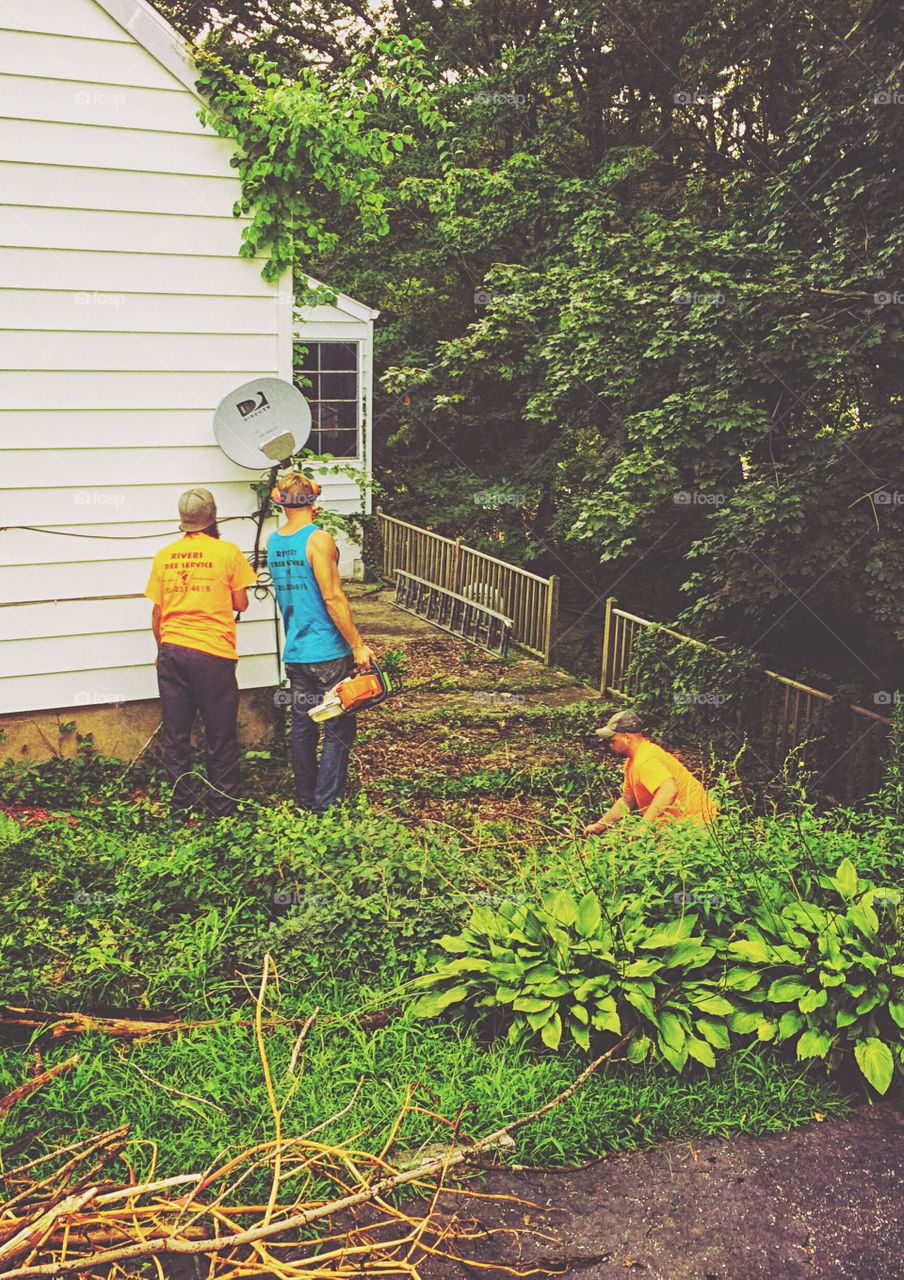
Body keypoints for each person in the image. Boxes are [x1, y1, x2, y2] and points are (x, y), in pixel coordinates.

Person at [267, 471, 376, 814]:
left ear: (279, 501)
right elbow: (333, 598)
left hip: (296, 651)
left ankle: (305, 802)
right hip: (327, 651)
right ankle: (326, 805)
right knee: (338, 727)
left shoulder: (274, 542)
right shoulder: (318, 539)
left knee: (302, 728)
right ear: (314, 499)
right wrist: (357, 644)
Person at [145, 488, 257, 819]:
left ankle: (181, 811)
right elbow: (240, 603)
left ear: (183, 521)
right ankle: (222, 810)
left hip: (172, 651)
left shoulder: (164, 555)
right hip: (213, 654)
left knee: (176, 735)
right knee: (220, 734)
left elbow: (157, 613)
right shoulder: (228, 552)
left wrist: (161, 651)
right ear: (213, 516)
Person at [583, 709, 717, 834]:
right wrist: (601, 825)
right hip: (677, 826)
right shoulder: (633, 762)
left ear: (627, 738)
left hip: (695, 823)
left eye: (613, 740)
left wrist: (644, 826)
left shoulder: (646, 760)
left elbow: (669, 790)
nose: (610, 745)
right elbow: (627, 800)